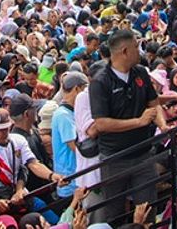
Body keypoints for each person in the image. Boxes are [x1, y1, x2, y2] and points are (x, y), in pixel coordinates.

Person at [89, 29, 167, 224]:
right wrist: (138, 122)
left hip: (143, 153)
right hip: (114, 158)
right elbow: (101, 123)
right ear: (124, 51)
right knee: (114, 212)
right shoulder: (100, 82)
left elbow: (154, 104)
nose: (139, 51)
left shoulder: (140, 72)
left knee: (147, 208)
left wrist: (163, 126)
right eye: (135, 47)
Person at [51, 71, 89, 201]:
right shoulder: (63, 115)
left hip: (77, 178)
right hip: (70, 181)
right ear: (77, 89)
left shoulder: (73, 111)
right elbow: (75, 146)